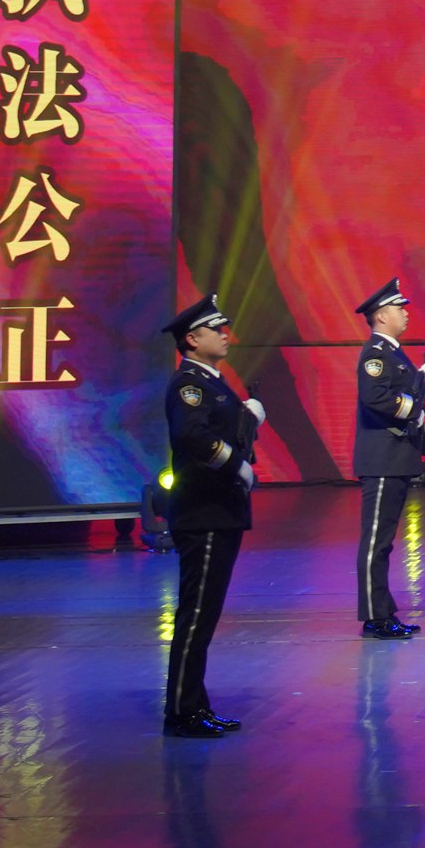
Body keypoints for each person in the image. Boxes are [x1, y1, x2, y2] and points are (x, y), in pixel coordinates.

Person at [163, 295, 261, 738]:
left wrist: (248, 419)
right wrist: (235, 465)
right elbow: (192, 435)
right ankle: (182, 712)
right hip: (203, 512)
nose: (224, 335)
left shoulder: (212, 382)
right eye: (215, 329)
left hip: (221, 511)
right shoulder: (190, 384)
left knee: (205, 617)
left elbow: (224, 431)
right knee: (196, 615)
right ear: (192, 339)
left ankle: (195, 704)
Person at [351, 276, 425, 640]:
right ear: (381, 315)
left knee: (384, 541)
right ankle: (375, 617)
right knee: (376, 541)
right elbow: (377, 398)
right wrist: (415, 404)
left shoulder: (393, 353)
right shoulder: (376, 354)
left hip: (395, 457)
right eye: (399, 308)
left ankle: (383, 611)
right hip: (382, 458)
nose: (405, 313)